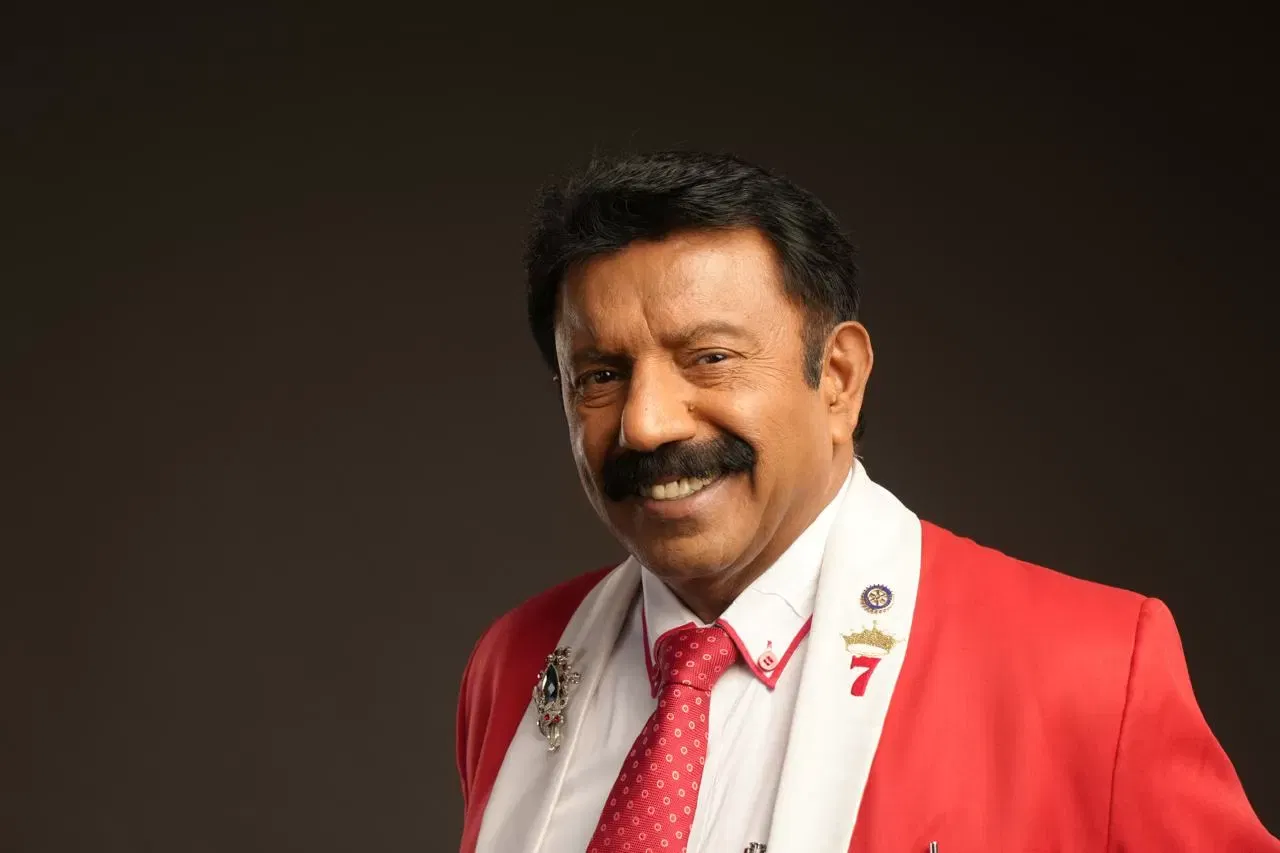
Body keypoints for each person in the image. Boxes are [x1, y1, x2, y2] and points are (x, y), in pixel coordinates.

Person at [455, 151, 1277, 853]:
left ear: (839, 380)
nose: (646, 423)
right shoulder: (514, 663)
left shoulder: (1089, 669)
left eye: (709, 358)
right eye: (601, 375)